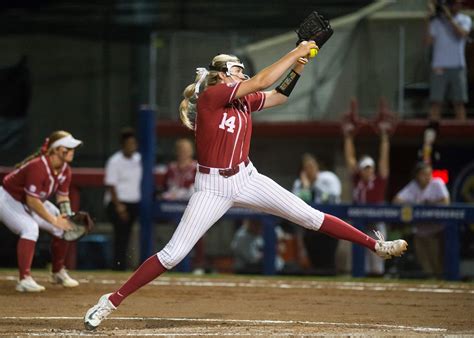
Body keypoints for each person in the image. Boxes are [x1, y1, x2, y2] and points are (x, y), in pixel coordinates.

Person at [84, 41, 408, 330]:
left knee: (310, 216)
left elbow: (279, 95)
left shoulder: (242, 101)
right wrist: (295, 51)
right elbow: (264, 80)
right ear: (223, 74)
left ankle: (375, 245)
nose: (242, 73)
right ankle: (110, 301)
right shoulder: (212, 95)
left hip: (246, 177)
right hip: (212, 186)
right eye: (237, 69)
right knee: (172, 254)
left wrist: (297, 66)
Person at [0, 130, 82, 292]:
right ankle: (24, 280)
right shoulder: (38, 166)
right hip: (8, 198)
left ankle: (57, 272)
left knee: (63, 225)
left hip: (30, 202)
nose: (72, 152)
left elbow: (63, 196)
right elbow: (32, 200)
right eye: (68, 148)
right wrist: (54, 220)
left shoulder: (65, 170)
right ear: (57, 150)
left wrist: (66, 215)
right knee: (30, 228)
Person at [343, 122, 391, 276]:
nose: (368, 171)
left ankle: (378, 276)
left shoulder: (379, 180)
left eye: (370, 168)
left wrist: (384, 138)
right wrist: (348, 137)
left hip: (376, 220)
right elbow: (350, 158)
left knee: (378, 254)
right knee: (356, 255)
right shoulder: (357, 179)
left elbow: (384, 160)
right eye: (365, 168)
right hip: (359, 220)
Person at [393, 162, 450, 278]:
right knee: (424, 262)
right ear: (417, 175)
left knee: (437, 262)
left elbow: (446, 202)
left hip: (436, 230)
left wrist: (430, 204)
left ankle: (441, 281)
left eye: (429, 174)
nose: (427, 177)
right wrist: (415, 204)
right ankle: (432, 282)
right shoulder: (414, 186)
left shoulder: (437, 183)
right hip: (420, 231)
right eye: (424, 174)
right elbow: (396, 201)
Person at [292, 153, 341, 275]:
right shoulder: (299, 183)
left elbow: (332, 198)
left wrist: (313, 187)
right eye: (306, 167)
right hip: (310, 227)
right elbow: (295, 203)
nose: (310, 169)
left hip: (329, 222)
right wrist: (307, 186)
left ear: (317, 166)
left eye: (312, 166)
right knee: (315, 262)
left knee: (328, 260)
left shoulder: (328, 178)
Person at [160, 138, 204, 274]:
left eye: (186, 150)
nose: (183, 152)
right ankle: (173, 266)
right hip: (174, 206)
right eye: (181, 150)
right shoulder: (171, 167)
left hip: (194, 205)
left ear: (191, 151)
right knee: (176, 236)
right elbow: (165, 186)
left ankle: (198, 265)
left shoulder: (197, 166)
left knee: (198, 234)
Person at [426, 0, 472, 121]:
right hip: (439, 66)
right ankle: (433, 133)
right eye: (452, 3)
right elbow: (428, 42)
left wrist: (449, 19)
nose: (455, 6)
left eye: (457, 3)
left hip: (457, 66)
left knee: (459, 102)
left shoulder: (465, 19)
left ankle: (461, 134)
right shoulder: (436, 21)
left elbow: (461, 34)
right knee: (436, 102)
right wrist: (429, 19)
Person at [104, 128, 142, 271]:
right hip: (118, 203)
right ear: (123, 145)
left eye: (134, 143)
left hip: (134, 202)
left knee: (129, 236)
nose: (132, 146)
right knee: (121, 235)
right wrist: (119, 206)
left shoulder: (139, 159)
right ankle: (118, 266)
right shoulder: (115, 161)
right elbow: (111, 184)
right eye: (129, 144)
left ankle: (125, 265)